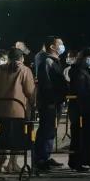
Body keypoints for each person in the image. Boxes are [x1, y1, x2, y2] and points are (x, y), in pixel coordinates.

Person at [0, 48, 36, 174]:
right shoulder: (24, 70)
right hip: (15, 109)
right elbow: (30, 91)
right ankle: (12, 164)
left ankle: (2, 163)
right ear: (22, 58)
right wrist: (33, 103)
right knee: (16, 138)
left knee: (1, 137)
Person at [33, 36, 67, 172]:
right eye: (60, 44)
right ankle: (40, 160)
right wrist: (50, 101)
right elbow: (46, 83)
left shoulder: (54, 61)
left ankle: (45, 156)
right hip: (49, 102)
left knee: (50, 130)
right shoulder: (47, 61)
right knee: (46, 130)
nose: (62, 46)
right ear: (52, 47)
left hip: (55, 101)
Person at [69, 48, 90, 172]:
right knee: (79, 136)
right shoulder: (78, 71)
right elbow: (80, 90)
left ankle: (89, 159)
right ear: (84, 57)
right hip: (80, 108)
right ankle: (76, 162)